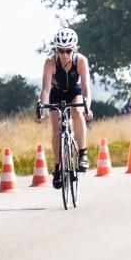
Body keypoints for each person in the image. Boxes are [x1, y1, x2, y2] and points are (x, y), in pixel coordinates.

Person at [36, 27, 93, 188]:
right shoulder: (50, 62)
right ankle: (58, 167)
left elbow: (86, 87)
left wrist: (87, 106)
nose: (64, 55)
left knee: (77, 112)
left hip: (75, 93)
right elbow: (46, 89)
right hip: (57, 94)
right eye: (61, 51)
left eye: (68, 51)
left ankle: (83, 153)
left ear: (74, 49)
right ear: (56, 50)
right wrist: (40, 108)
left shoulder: (81, 61)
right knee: (56, 128)